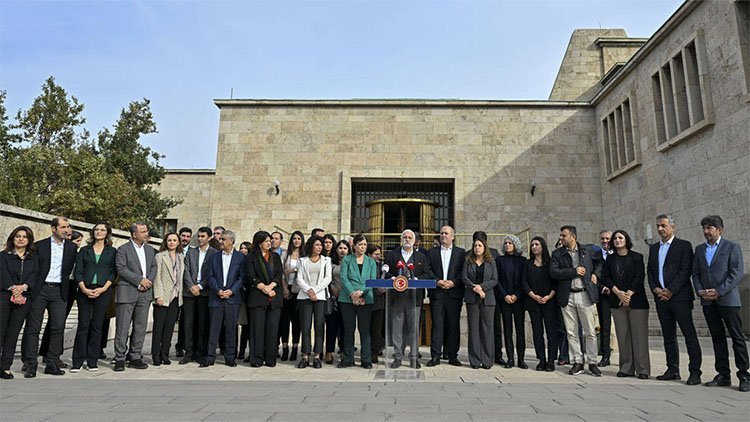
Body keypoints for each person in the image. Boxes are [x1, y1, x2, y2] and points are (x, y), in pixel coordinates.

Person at [692, 215, 748, 392]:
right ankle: (723, 374)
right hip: (708, 301)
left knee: (737, 337)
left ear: (720, 230)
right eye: (704, 228)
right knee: (717, 338)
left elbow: (736, 273)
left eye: (710, 228)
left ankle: (744, 374)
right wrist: (701, 291)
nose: (706, 232)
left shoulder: (732, 247)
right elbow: (696, 274)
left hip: (727, 300)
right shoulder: (700, 249)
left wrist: (719, 291)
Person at [647, 214, 702, 385]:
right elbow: (650, 271)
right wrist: (656, 289)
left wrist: (670, 290)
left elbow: (685, 271)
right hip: (661, 299)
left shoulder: (684, 246)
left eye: (663, 225)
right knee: (668, 336)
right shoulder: (654, 248)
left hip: (680, 298)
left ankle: (695, 371)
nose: (660, 229)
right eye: (658, 226)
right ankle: (672, 369)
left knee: (689, 334)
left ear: (673, 227)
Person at [23, 217, 77, 378]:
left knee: (58, 327)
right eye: (63, 227)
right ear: (53, 228)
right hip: (40, 290)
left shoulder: (72, 247)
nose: (67, 230)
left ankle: (52, 362)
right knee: (33, 328)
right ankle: (31, 363)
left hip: (60, 291)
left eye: (68, 227)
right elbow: (32, 269)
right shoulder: (39, 246)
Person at [550, 225, 603, 377]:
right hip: (568, 295)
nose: (561, 238)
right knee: (571, 331)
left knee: (590, 331)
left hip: (585, 294)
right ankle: (577, 361)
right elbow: (554, 272)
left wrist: (596, 274)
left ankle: (592, 362)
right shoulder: (557, 254)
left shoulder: (587, 250)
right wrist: (573, 271)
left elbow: (600, 262)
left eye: (563, 235)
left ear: (573, 237)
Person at [601, 230, 650, 379]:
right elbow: (606, 277)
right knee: (623, 336)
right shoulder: (610, 259)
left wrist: (628, 294)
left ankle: (643, 369)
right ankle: (626, 367)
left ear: (626, 240)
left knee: (639, 337)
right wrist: (619, 293)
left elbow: (639, 276)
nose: (617, 240)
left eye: (620, 237)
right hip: (617, 301)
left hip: (637, 301)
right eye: (615, 238)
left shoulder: (636, 257)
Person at [384, 229, 434, 369]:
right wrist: (391, 278)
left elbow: (427, 273)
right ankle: (397, 357)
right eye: (404, 237)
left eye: (409, 237)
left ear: (414, 241)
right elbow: (385, 271)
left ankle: (413, 357)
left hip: (414, 298)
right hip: (396, 298)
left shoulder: (421, 257)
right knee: (397, 328)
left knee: (413, 328)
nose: (407, 239)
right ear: (401, 240)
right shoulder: (393, 255)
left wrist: (417, 279)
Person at [71, 223, 117, 372]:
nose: (99, 232)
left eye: (102, 230)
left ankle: (92, 360)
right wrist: (83, 288)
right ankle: (77, 361)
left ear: (107, 233)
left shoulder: (112, 251)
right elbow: (78, 270)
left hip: (103, 291)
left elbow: (113, 272)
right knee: (83, 325)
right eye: (97, 229)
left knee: (97, 326)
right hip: (85, 289)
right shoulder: (84, 250)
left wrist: (103, 288)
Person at [113, 222, 157, 372]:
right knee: (123, 327)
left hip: (145, 293)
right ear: (134, 234)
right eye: (143, 231)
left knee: (140, 326)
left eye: (146, 231)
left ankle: (135, 356)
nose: (146, 233)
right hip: (127, 292)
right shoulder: (123, 249)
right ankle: (119, 357)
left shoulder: (150, 250)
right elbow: (121, 268)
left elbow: (153, 267)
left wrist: (148, 281)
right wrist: (139, 280)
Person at [1, 226, 40, 379]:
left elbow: (35, 275)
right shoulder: (4, 256)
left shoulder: (33, 258)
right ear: (12, 238)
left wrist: (23, 287)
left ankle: (5, 367)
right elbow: (2, 274)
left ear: (29, 240)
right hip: (4, 296)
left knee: (13, 333)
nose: (21, 239)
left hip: (25, 298)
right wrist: (13, 288)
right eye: (18, 236)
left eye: (24, 236)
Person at [204, 230, 244, 367]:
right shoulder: (214, 257)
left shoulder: (240, 258)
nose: (220, 241)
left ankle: (230, 357)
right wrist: (218, 290)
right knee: (213, 329)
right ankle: (210, 357)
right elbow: (209, 276)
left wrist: (231, 291)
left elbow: (241, 277)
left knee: (231, 329)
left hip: (232, 298)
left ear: (232, 241)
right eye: (220, 239)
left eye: (224, 239)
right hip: (216, 297)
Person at [426, 225, 465, 367]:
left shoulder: (461, 253)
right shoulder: (432, 252)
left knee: (453, 325)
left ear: (453, 237)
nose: (443, 235)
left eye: (446, 233)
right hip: (437, 294)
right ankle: (435, 356)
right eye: (441, 233)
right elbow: (427, 269)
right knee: (437, 324)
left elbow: (463, 272)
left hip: (454, 294)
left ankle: (452, 355)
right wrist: (438, 281)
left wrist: (453, 282)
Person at [245, 231, 283, 367]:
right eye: (267, 241)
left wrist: (271, 286)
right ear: (259, 242)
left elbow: (279, 274)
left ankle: (270, 358)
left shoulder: (275, 257)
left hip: (274, 297)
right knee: (257, 329)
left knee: (272, 329)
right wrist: (263, 288)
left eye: (270, 240)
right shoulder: (251, 257)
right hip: (258, 296)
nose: (269, 243)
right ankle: (256, 358)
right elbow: (250, 275)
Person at [180, 227, 217, 365]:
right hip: (190, 293)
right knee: (188, 323)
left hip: (205, 293)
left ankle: (201, 352)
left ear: (209, 237)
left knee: (203, 323)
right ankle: (188, 352)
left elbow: (212, 273)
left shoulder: (214, 253)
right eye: (199, 236)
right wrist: (191, 286)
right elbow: (186, 270)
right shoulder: (191, 252)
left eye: (203, 236)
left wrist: (201, 286)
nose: (200, 239)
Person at [338, 233, 376, 369]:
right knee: (349, 329)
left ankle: (366, 359)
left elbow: (372, 280)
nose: (363, 247)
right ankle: (348, 358)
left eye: (365, 244)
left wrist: (360, 292)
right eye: (360, 244)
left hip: (366, 298)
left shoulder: (371, 262)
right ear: (354, 246)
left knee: (365, 330)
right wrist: (352, 294)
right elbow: (343, 278)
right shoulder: (347, 260)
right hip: (347, 299)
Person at [296, 236, 332, 368]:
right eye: (317, 245)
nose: (319, 247)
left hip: (320, 297)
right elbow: (299, 278)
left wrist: (315, 291)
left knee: (319, 326)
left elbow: (327, 278)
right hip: (305, 296)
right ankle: (305, 355)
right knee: (305, 326)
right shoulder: (303, 260)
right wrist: (309, 291)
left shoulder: (326, 260)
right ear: (311, 246)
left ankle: (317, 355)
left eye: (321, 245)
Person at [523, 236, 558, 372]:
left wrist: (549, 296)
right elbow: (524, 282)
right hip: (534, 302)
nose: (534, 247)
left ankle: (551, 360)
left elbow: (556, 282)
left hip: (549, 302)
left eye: (537, 244)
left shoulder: (550, 263)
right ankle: (541, 359)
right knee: (537, 332)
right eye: (532, 245)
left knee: (551, 332)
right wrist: (534, 296)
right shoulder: (528, 264)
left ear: (542, 246)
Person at [462, 237, 497, 369]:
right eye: (475, 245)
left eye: (480, 245)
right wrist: (475, 288)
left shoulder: (491, 262)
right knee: (474, 330)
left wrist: (481, 287)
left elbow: (494, 280)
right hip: (472, 299)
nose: (477, 248)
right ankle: (475, 360)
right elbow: (464, 278)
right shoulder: (468, 261)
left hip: (488, 300)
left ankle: (487, 360)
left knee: (487, 329)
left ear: (484, 248)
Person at [151, 232, 184, 366]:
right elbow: (156, 277)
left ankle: (165, 353)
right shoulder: (159, 256)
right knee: (159, 327)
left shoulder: (182, 257)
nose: (171, 242)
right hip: (162, 296)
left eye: (174, 240)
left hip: (176, 297)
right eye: (169, 240)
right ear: (166, 242)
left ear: (178, 243)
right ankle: (155, 354)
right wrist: (158, 295)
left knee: (169, 327)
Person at [495, 235, 527, 369]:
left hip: (519, 300)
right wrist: (505, 295)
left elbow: (524, 280)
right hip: (505, 300)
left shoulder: (523, 261)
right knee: (507, 330)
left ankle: (521, 359)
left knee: (520, 330)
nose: (507, 245)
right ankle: (510, 359)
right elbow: (497, 280)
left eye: (510, 243)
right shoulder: (499, 260)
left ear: (516, 245)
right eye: (506, 243)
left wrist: (516, 295)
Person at [474, 230, 504, 366]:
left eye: (481, 239)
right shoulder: (470, 255)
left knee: (494, 327)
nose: (478, 242)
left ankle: (497, 354)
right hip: (475, 295)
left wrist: (485, 288)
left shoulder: (494, 253)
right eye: (476, 239)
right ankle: (478, 356)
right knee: (477, 328)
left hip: (493, 295)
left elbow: (497, 276)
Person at [279, 231, 304, 361]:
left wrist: (294, 269)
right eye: (294, 238)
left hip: (299, 290)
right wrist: (284, 288)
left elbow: (305, 271)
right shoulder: (284, 254)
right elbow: (281, 273)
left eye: (299, 238)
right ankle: (284, 348)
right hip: (286, 288)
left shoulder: (304, 256)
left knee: (296, 321)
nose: (296, 241)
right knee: (284, 320)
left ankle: (295, 347)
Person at [325, 240, 349, 365]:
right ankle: (329, 352)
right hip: (333, 298)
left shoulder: (351, 262)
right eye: (340, 248)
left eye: (345, 248)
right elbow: (326, 277)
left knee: (344, 327)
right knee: (331, 326)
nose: (342, 250)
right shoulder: (330, 262)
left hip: (347, 298)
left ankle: (344, 351)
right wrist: (331, 288)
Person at [594, 230, 613, 367]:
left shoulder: (619, 253)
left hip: (619, 295)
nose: (605, 241)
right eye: (602, 239)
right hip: (604, 295)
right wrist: (602, 288)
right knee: (604, 326)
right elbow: (594, 275)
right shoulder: (595, 256)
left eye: (607, 238)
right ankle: (605, 355)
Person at [174, 226, 193, 358]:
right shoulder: (173, 250)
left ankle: (184, 346)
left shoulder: (193, 252)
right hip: (173, 291)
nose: (185, 238)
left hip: (187, 291)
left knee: (186, 320)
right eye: (183, 236)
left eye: (187, 236)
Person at [367, 244, 385, 364]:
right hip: (367, 299)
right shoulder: (365, 265)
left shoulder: (383, 266)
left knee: (376, 329)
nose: (378, 256)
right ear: (369, 255)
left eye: (379, 254)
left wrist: (384, 288)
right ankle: (366, 351)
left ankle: (374, 352)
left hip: (379, 301)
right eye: (375, 254)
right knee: (366, 328)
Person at [237, 241, 252, 361]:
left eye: (245, 248)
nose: (243, 250)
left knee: (249, 327)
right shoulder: (238, 261)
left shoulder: (250, 262)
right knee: (241, 325)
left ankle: (248, 351)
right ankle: (240, 351)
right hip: (240, 297)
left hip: (250, 297)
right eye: (241, 248)